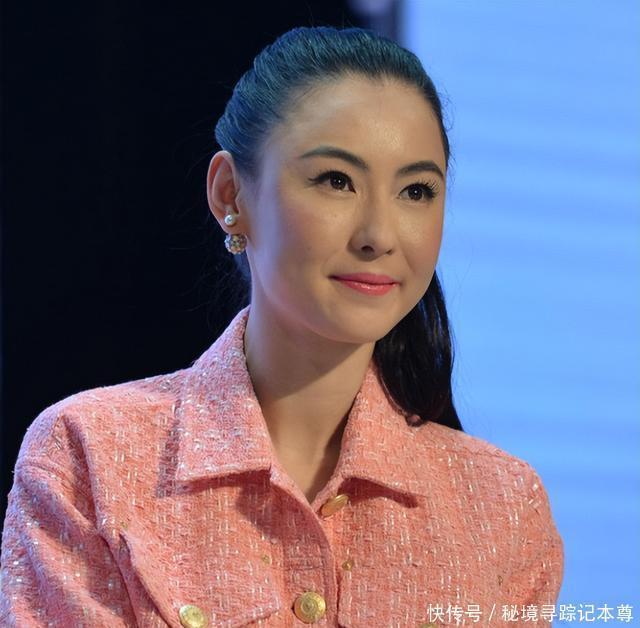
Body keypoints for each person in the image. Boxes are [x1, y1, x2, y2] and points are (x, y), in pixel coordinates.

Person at [0, 25, 563, 628]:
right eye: (336, 181)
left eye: (416, 191)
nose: (379, 235)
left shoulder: (502, 507)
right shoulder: (92, 455)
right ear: (230, 195)